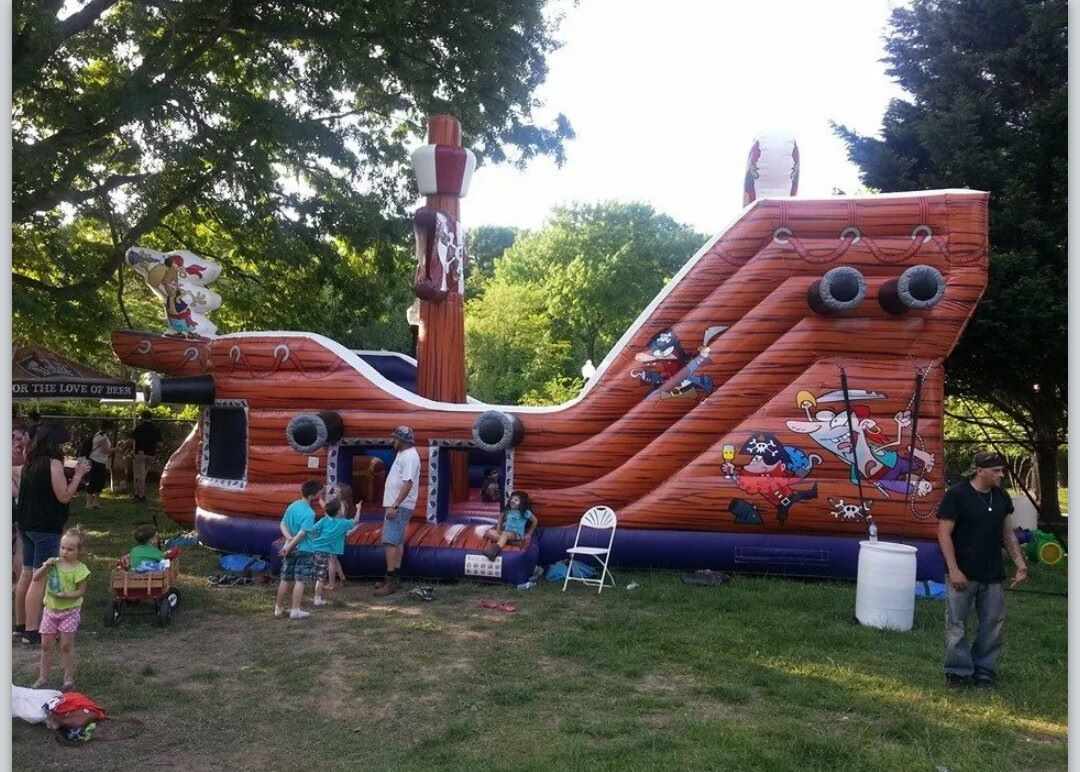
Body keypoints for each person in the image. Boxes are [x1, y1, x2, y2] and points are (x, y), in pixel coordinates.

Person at [938, 450, 1028, 690]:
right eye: (996, 471)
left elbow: (1007, 534)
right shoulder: (957, 495)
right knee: (957, 624)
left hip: (993, 572)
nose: (1001, 475)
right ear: (980, 471)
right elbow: (943, 533)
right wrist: (953, 569)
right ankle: (957, 672)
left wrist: (1019, 564)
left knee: (993, 623)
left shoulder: (1001, 497)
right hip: (963, 572)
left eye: (1001, 470)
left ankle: (984, 670)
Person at [15, 426, 90, 645]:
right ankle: (31, 631)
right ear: (55, 444)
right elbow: (64, 496)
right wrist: (78, 475)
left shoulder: (30, 462)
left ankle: (21, 625)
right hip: (45, 526)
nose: (65, 449)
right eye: (63, 444)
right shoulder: (53, 463)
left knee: (27, 573)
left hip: (26, 523)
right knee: (41, 577)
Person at [32, 526, 90, 691]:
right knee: (45, 645)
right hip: (50, 610)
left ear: (80, 551)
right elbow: (36, 578)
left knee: (66, 645)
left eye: (70, 549)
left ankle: (68, 678)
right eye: (62, 547)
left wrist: (67, 596)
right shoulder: (54, 564)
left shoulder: (81, 570)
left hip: (69, 612)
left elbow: (81, 591)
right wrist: (45, 566)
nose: (65, 552)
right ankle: (43, 677)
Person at [285, 497, 361, 607]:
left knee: (310, 572)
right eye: (343, 507)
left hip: (314, 549)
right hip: (324, 553)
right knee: (321, 577)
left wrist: (315, 537)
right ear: (339, 511)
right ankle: (317, 598)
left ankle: (299, 589)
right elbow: (356, 521)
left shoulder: (324, 520)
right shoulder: (343, 523)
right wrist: (359, 508)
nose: (345, 509)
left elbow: (311, 530)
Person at [374, 426, 420, 597]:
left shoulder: (409, 456)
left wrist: (395, 505)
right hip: (397, 504)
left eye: (395, 438)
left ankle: (390, 579)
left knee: (390, 542)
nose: (392, 440)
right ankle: (396, 577)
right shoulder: (403, 454)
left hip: (399, 506)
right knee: (398, 541)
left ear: (403, 440)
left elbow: (408, 483)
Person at [275, 480, 324, 619]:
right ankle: (295, 610)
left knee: (285, 578)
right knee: (300, 580)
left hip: (289, 547)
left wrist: (288, 539)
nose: (320, 495)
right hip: (304, 549)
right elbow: (302, 534)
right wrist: (291, 544)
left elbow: (283, 523)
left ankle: (278, 608)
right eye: (319, 493)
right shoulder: (309, 513)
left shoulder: (292, 506)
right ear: (311, 497)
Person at [482, 490, 538, 560]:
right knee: (488, 533)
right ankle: (514, 543)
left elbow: (535, 521)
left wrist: (529, 534)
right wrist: (498, 528)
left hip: (516, 534)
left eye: (516, 500)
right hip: (506, 532)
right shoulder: (508, 510)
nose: (512, 501)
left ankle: (493, 552)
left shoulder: (525, 512)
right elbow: (501, 517)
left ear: (522, 502)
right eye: (511, 499)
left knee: (505, 535)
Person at [130, 411, 162, 502]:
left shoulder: (139, 428)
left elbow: (131, 440)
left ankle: (141, 496)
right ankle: (137, 493)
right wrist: (159, 452)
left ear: (142, 417)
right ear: (151, 417)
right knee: (144, 475)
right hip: (151, 454)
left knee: (139, 476)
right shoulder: (156, 428)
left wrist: (125, 448)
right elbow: (159, 444)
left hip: (140, 454)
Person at [328, 484, 357, 586]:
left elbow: (338, 517)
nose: (334, 491)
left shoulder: (341, 505)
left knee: (331, 560)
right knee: (334, 558)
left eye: (337, 490)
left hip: (336, 534)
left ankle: (331, 584)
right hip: (340, 534)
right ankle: (342, 577)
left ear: (342, 493)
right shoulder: (344, 503)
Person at [84, 421, 112, 510]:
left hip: (100, 461)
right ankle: (89, 503)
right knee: (94, 481)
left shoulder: (98, 435)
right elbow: (105, 450)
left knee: (99, 481)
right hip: (96, 461)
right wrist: (116, 449)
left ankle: (95, 502)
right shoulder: (101, 437)